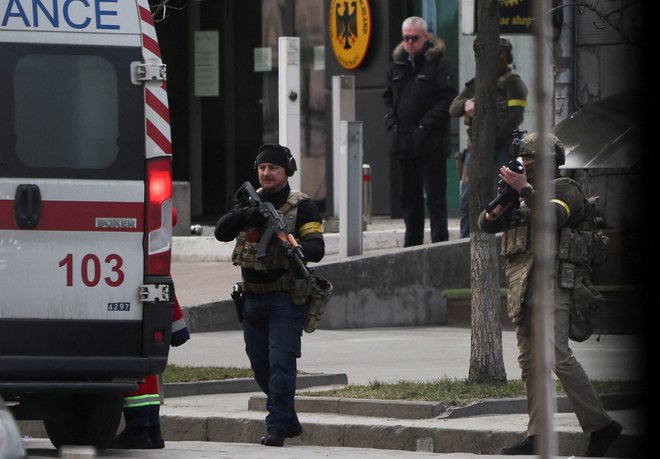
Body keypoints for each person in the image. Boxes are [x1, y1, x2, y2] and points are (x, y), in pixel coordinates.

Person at [477, 132, 623, 457]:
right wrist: (497, 209)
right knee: (530, 361)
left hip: (555, 280)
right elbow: (485, 225)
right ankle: (538, 434)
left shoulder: (564, 189)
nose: (526, 168)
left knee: (556, 353)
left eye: (531, 163)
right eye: (523, 164)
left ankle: (601, 426)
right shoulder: (525, 193)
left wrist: (524, 190)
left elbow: (552, 217)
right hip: (525, 283)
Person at [214, 143, 325, 447]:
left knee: (281, 364)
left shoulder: (301, 206)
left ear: (286, 171)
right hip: (251, 298)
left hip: (284, 299)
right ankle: (287, 418)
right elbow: (221, 232)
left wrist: (296, 248)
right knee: (260, 365)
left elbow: (318, 247)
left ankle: (276, 426)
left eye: (272, 168)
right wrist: (247, 215)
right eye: (262, 168)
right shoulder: (251, 203)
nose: (266, 173)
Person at [382, 16, 458, 247]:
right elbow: (387, 98)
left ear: (425, 37)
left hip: (431, 144)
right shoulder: (397, 65)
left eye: (414, 38)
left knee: (435, 200)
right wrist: (391, 123)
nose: (410, 43)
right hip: (404, 143)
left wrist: (426, 125)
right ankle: (411, 245)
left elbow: (447, 99)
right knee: (409, 200)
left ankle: (440, 245)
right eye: (406, 38)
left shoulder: (439, 64)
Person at [450, 37, 528, 239]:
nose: (496, 57)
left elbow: (514, 118)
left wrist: (490, 144)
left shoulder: (513, 84)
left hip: (501, 152)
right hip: (475, 153)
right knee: (468, 200)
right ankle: (465, 243)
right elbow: (453, 108)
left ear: (506, 56)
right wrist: (467, 103)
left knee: (502, 199)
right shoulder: (475, 84)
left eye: (500, 53)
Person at [111, 295, 190, 449]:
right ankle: (152, 430)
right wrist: (177, 326)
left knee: (131, 363)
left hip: (125, 305)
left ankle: (139, 430)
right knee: (145, 364)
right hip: (149, 304)